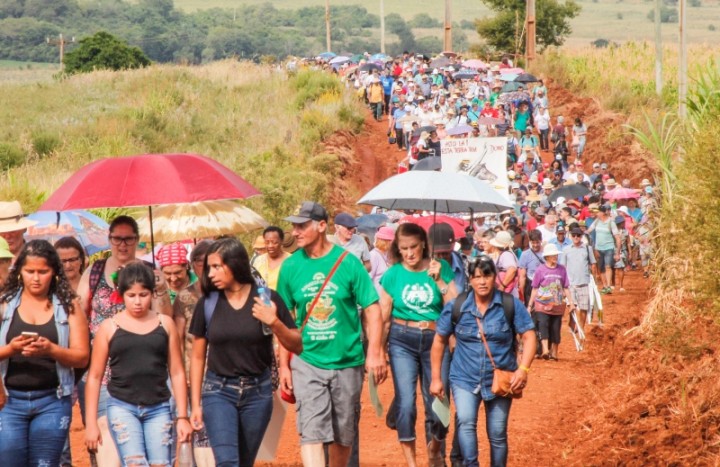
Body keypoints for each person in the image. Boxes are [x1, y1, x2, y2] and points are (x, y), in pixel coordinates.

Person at [277, 201, 387, 467]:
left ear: (322, 226)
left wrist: (374, 352)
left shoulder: (348, 263)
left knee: (342, 434)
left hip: (347, 361)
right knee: (312, 432)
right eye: (294, 226)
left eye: (302, 226)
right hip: (307, 361)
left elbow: (372, 308)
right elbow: (284, 321)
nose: (296, 232)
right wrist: (284, 365)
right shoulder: (290, 268)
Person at [188, 238, 302, 466]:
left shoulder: (267, 299)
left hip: (258, 394)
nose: (210, 273)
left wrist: (275, 322)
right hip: (218, 392)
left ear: (236, 264)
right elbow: (198, 357)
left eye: (217, 266)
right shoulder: (207, 304)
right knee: (227, 462)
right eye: (209, 268)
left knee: (243, 462)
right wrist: (195, 404)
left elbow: (296, 344)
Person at [76, 215, 172, 467]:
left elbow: (166, 321)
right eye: (117, 238)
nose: (122, 244)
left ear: (137, 240)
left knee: (150, 455)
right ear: (109, 240)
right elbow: (78, 311)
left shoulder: (151, 274)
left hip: (145, 375)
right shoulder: (95, 272)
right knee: (106, 450)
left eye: (128, 238)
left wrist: (160, 289)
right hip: (103, 374)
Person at [429, 256, 536, 467]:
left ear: (495, 277)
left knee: (497, 434)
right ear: (470, 279)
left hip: (500, 379)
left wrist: (523, 369)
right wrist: (435, 378)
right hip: (464, 378)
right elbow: (439, 341)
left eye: (487, 275)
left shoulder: (509, 304)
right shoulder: (457, 306)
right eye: (477, 277)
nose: (482, 281)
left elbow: (529, 335)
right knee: (466, 423)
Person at [85, 262, 191, 465]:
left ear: (152, 293)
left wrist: (183, 416)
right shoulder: (109, 327)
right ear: (121, 294)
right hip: (122, 406)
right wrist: (91, 423)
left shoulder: (165, 324)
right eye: (131, 295)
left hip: (159, 406)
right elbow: (95, 377)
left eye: (143, 295)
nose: (137, 302)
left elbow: (177, 372)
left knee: (161, 463)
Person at [0, 240, 89, 465]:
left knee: (45, 463)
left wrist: (51, 349)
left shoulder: (69, 305)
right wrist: (11, 349)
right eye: (30, 271)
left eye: (43, 271)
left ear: (54, 273)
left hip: (53, 399)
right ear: (19, 271)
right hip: (9, 400)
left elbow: (82, 357)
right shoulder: (4, 305)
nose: (36, 278)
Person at [379, 223, 457, 467]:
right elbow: (383, 316)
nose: (410, 253)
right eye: (404, 249)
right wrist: (379, 351)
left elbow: (454, 306)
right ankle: (412, 463)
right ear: (397, 249)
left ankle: (435, 448)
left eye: (414, 247)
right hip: (402, 339)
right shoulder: (392, 274)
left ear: (423, 244)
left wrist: (440, 281)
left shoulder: (440, 267)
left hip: (436, 339)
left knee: (439, 401)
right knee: (405, 403)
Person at [172, 240, 214, 467]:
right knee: (195, 428)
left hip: (220, 373)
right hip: (191, 373)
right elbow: (177, 339)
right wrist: (180, 372)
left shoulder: (226, 294)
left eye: (210, 260)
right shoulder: (184, 297)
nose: (205, 265)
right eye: (199, 260)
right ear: (192, 265)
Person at [528, 244, 574, 360]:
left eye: (556, 255)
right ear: (547, 257)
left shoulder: (562, 269)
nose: (555, 257)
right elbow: (535, 288)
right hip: (541, 304)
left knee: (555, 327)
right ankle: (545, 350)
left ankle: (554, 352)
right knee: (543, 324)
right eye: (553, 255)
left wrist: (571, 303)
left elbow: (566, 287)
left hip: (557, 305)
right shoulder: (540, 270)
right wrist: (529, 305)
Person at [559, 227, 597, 342]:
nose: (576, 237)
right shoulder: (566, 250)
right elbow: (563, 267)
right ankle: (572, 326)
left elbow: (593, 264)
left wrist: (594, 280)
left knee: (584, 308)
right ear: (571, 236)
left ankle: (581, 328)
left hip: (584, 282)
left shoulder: (587, 248)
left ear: (581, 236)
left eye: (578, 235)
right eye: (574, 235)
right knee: (572, 307)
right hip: (570, 284)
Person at [585, 205, 622, 294]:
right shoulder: (597, 221)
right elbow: (589, 230)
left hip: (609, 247)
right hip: (598, 248)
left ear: (602, 212)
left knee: (608, 266)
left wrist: (617, 252)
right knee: (601, 268)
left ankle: (608, 286)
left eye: (598, 212)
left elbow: (617, 237)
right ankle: (605, 286)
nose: (596, 213)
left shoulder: (611, 223)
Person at [518, 230, 544, 306]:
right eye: (533, 243)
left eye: (537, 242)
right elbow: (522, 276)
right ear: (530, 242)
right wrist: (521, 292)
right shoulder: (525, 254)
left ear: (541, 240)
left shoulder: (546, 253)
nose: (535, 245)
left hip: (544, 285)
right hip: (530, 285)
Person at [369, 226, 394, 293]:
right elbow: (368, 278)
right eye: (391, 241)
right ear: (386, 242)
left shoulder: (387, 255)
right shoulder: (373, 255)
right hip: (377, 298)